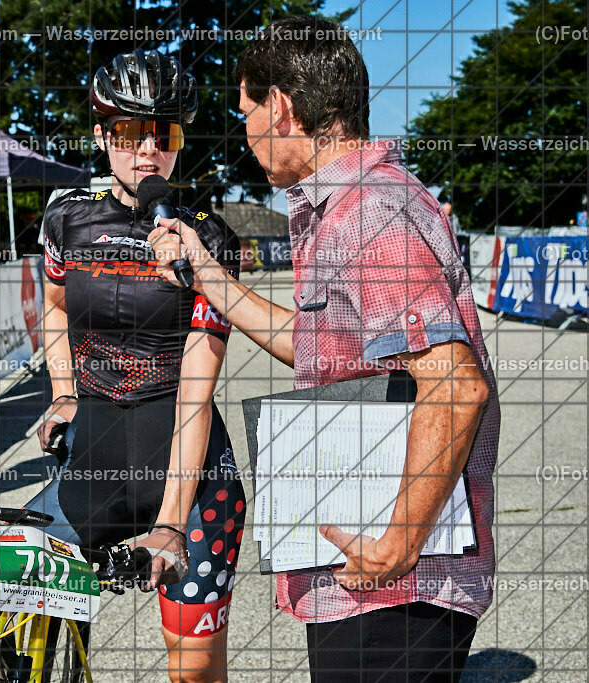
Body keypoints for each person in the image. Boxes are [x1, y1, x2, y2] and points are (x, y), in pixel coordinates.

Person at [151, 15, 499, 681]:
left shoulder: (369, 212)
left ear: (280, 106)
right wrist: (209, 274)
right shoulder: (345, 211)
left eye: (246, 107)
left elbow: (456, 386)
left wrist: (398, 542)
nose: (246, 130)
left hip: (397, 584)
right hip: (374, 578)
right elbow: (318, 347)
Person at [0, 49, 246, 682]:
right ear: (101, 135)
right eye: (128, 131)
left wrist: (171, 526)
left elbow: (196, 394)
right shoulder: (68, 218)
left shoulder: (210, 238)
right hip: (88, 472)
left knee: (193, 677)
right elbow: (57, 306)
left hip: (190, 483)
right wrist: (64, 391)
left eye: (165, 132)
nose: (146, 150)